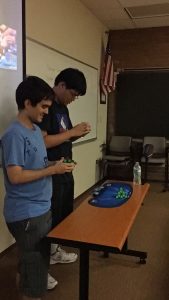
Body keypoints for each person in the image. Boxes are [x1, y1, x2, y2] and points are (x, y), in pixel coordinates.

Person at [1, 76, 76, 300]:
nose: (46, 112)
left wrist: (56, 165)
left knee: (31, 268)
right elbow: (15, 176)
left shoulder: (35, 130)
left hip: (40, 209)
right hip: (27, 215)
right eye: (43, 106)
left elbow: (37, 164)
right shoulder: (14, 134)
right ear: (27, 103)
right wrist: (51, 171)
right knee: (34, 275)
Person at [38, 68, 91, 268]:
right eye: (73, 94)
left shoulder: (63, 108)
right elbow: (43, 142)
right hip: (51, 170)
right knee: (51, 214)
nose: (74, 99)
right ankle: (45, 258)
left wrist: (78, 134)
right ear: (61, 86)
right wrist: (71, 132)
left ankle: (54, 251)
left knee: (63, 212)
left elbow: (63, 136)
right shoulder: (47, 106)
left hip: (65, 167)